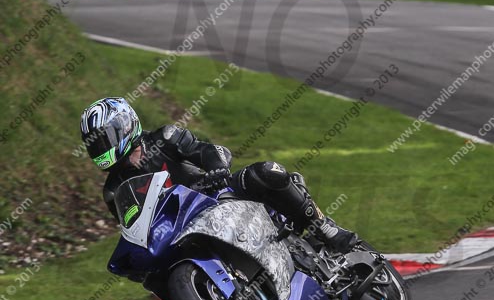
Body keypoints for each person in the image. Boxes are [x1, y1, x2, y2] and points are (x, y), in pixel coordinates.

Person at [80, 97, 357, 254]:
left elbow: (209, 151)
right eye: (95, 144)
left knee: (266, 172)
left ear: (125, 126)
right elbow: (136, 230)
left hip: (215, 196)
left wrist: (218, 168)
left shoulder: (164, 138)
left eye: (104, 139)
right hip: (183, 232)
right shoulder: (114, 190)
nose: (101, 148)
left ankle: (324, 226)